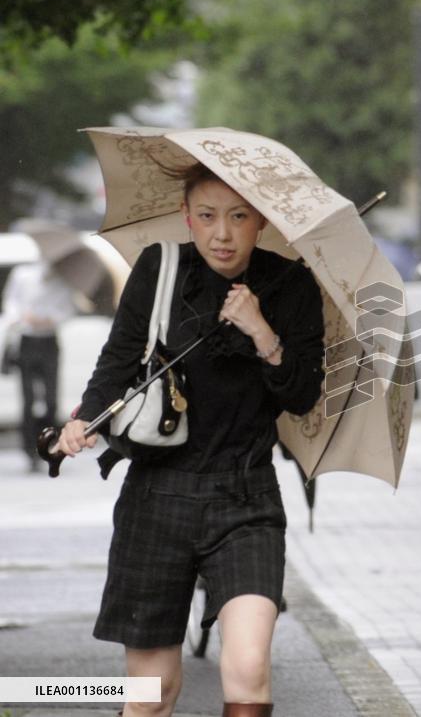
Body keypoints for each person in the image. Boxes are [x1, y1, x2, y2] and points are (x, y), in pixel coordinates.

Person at [56, 162, 325, 717]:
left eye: (237, 217)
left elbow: (301, 396)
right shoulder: (161, 268)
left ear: (260, 222)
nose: (221, 233)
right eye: (206, 216)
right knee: (151, 694)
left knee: (249, 670)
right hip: (157, 496)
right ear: (188, 217)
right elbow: (118, 358)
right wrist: (86, 421)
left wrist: (261, 331)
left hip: (246, 496)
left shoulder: (291, 285)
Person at [2, 257, 77, 472]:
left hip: (49, 340)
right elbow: (11, 303)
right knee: (28, 399)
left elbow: (67, 310)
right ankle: (29, 450)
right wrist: (22, 317)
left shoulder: (63, 280)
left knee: (51, 399)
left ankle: (48, 443)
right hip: (27, 340)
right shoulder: (24, 274)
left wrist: (50, 319)